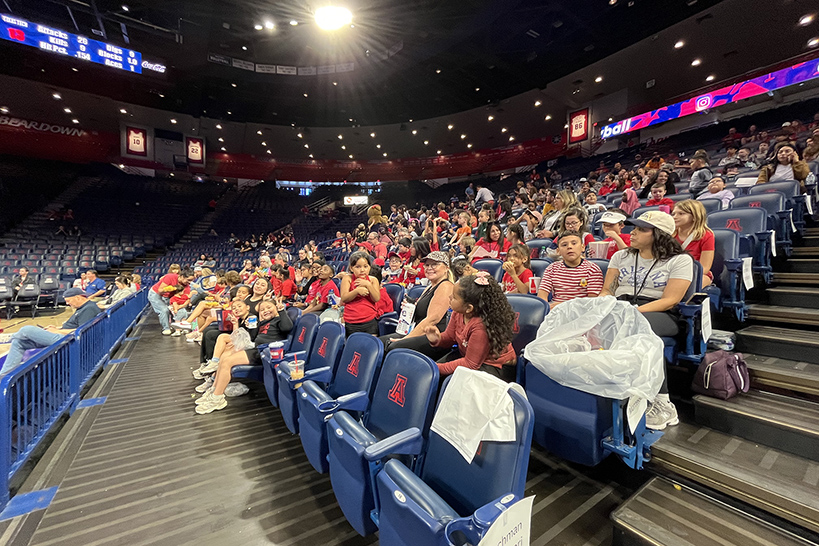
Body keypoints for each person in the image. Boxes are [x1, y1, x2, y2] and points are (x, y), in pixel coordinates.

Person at [598, 211, 694, 430]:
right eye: (634, 228)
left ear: (659, 234)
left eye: (641, 229)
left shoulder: (680, 260)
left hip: (660, 313)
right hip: (622, 306)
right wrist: (600, 307)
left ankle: (663, 403)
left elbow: (670, 300)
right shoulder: (620, 257)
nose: (632, 233)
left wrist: (634, 312)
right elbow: (607, 290)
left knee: (639, 327)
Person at [424, 272, 517, 381]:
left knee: (445, 378)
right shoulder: (458, 312)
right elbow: (450, 337)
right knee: (432, 375)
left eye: (454, 297)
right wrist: (438, 339)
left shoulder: (481, 327)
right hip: (470, 358)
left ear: (469, 308)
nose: (449, 297)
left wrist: (435, 367)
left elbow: (471, 364)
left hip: (494, 367)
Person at [0, 288, 101, 374]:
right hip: (65, 335)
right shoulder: (84, 307)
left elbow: (82, 331)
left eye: (68, 300)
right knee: (19, 342)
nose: (67, 303)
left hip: (71, 340)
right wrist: (57, 328)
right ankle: (5, 374)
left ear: (78, 297)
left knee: (27, 329)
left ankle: (9, 337)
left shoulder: (89, 309)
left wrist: (57, 331)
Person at [380, 251, 454, 360]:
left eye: (434, 264)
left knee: (393, 347)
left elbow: (431, 320)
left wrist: (405, 339)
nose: (429, 268)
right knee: (380, 343)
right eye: (427, 265)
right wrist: (410, 307)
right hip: (419, 332)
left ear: (446, 268)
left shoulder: (446, 286)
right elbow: (422, 313)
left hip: (434, 338)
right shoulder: (429, 288)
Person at [537, 231, 603, 308]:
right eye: (564, 245)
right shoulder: (551, 269)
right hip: (556, 312)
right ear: (558, 251)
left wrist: (564, 305)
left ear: (582, 247)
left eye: (574, 243)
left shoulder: (592, 269)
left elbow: (592, 302)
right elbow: (542, 296)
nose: (569, 247)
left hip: (582, 312)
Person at [672, 200, 715, 287]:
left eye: (681, 214)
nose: (675, 217)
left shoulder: (706, 235)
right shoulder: (670, 234)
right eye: (673, 214)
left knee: (689, 285)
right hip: (673, 272)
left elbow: (705, 268)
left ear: (695, 216)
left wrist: (683, 276)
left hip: (697, 274)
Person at [340, 251, 381, 336]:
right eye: (358, 267)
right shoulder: (347, 278)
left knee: (369, 346)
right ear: (351, 268)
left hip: (369, 321)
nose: (362, 270)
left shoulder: (373, 280)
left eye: (365, 266)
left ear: (369, 267)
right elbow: (344, 298)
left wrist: (368, 285)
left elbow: (376, 298)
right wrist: (356, 291)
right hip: (351, 321)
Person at [148, 267, 194, 335]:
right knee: (164, 310)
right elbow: (160, 290)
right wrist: (168, 289)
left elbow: (185, 300)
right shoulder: (170, 277)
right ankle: (166, 328)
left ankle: (176, 326)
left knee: (179, 310)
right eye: (188, 280)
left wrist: (178, 306)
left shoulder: (187, 286)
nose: (190, 282)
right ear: (181, 277)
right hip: (156, 294)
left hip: (169, 297)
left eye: (191, 280)